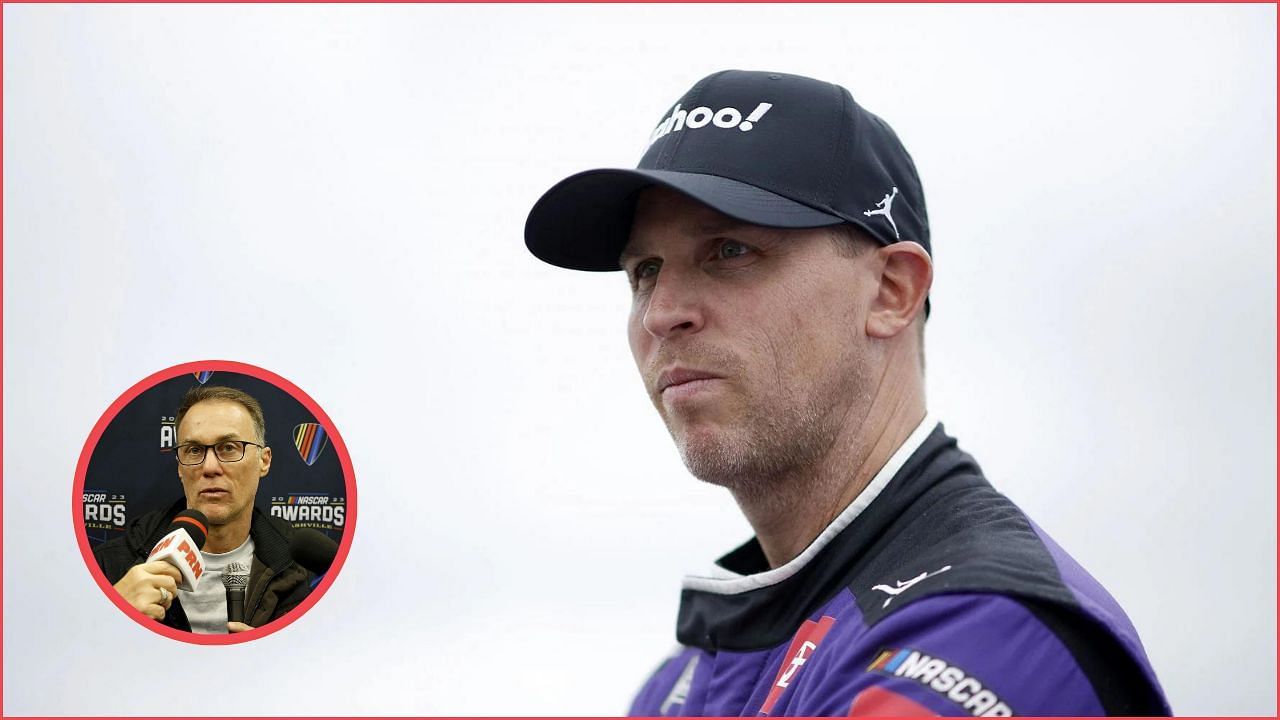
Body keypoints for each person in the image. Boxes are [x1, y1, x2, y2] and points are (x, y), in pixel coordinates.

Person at [524, 70, 1170, 715]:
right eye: (645, 271)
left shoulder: (983, 634)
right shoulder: (682, 683)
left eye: (729, 250)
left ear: (892, 291)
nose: (663, 312)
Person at [94, 385, 314, 634]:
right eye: (194, 450)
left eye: (229, 447)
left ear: (263, 461)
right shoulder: (111, 565)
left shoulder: (298, 567)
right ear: (179, 467)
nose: (210, 467)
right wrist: (111, 616)